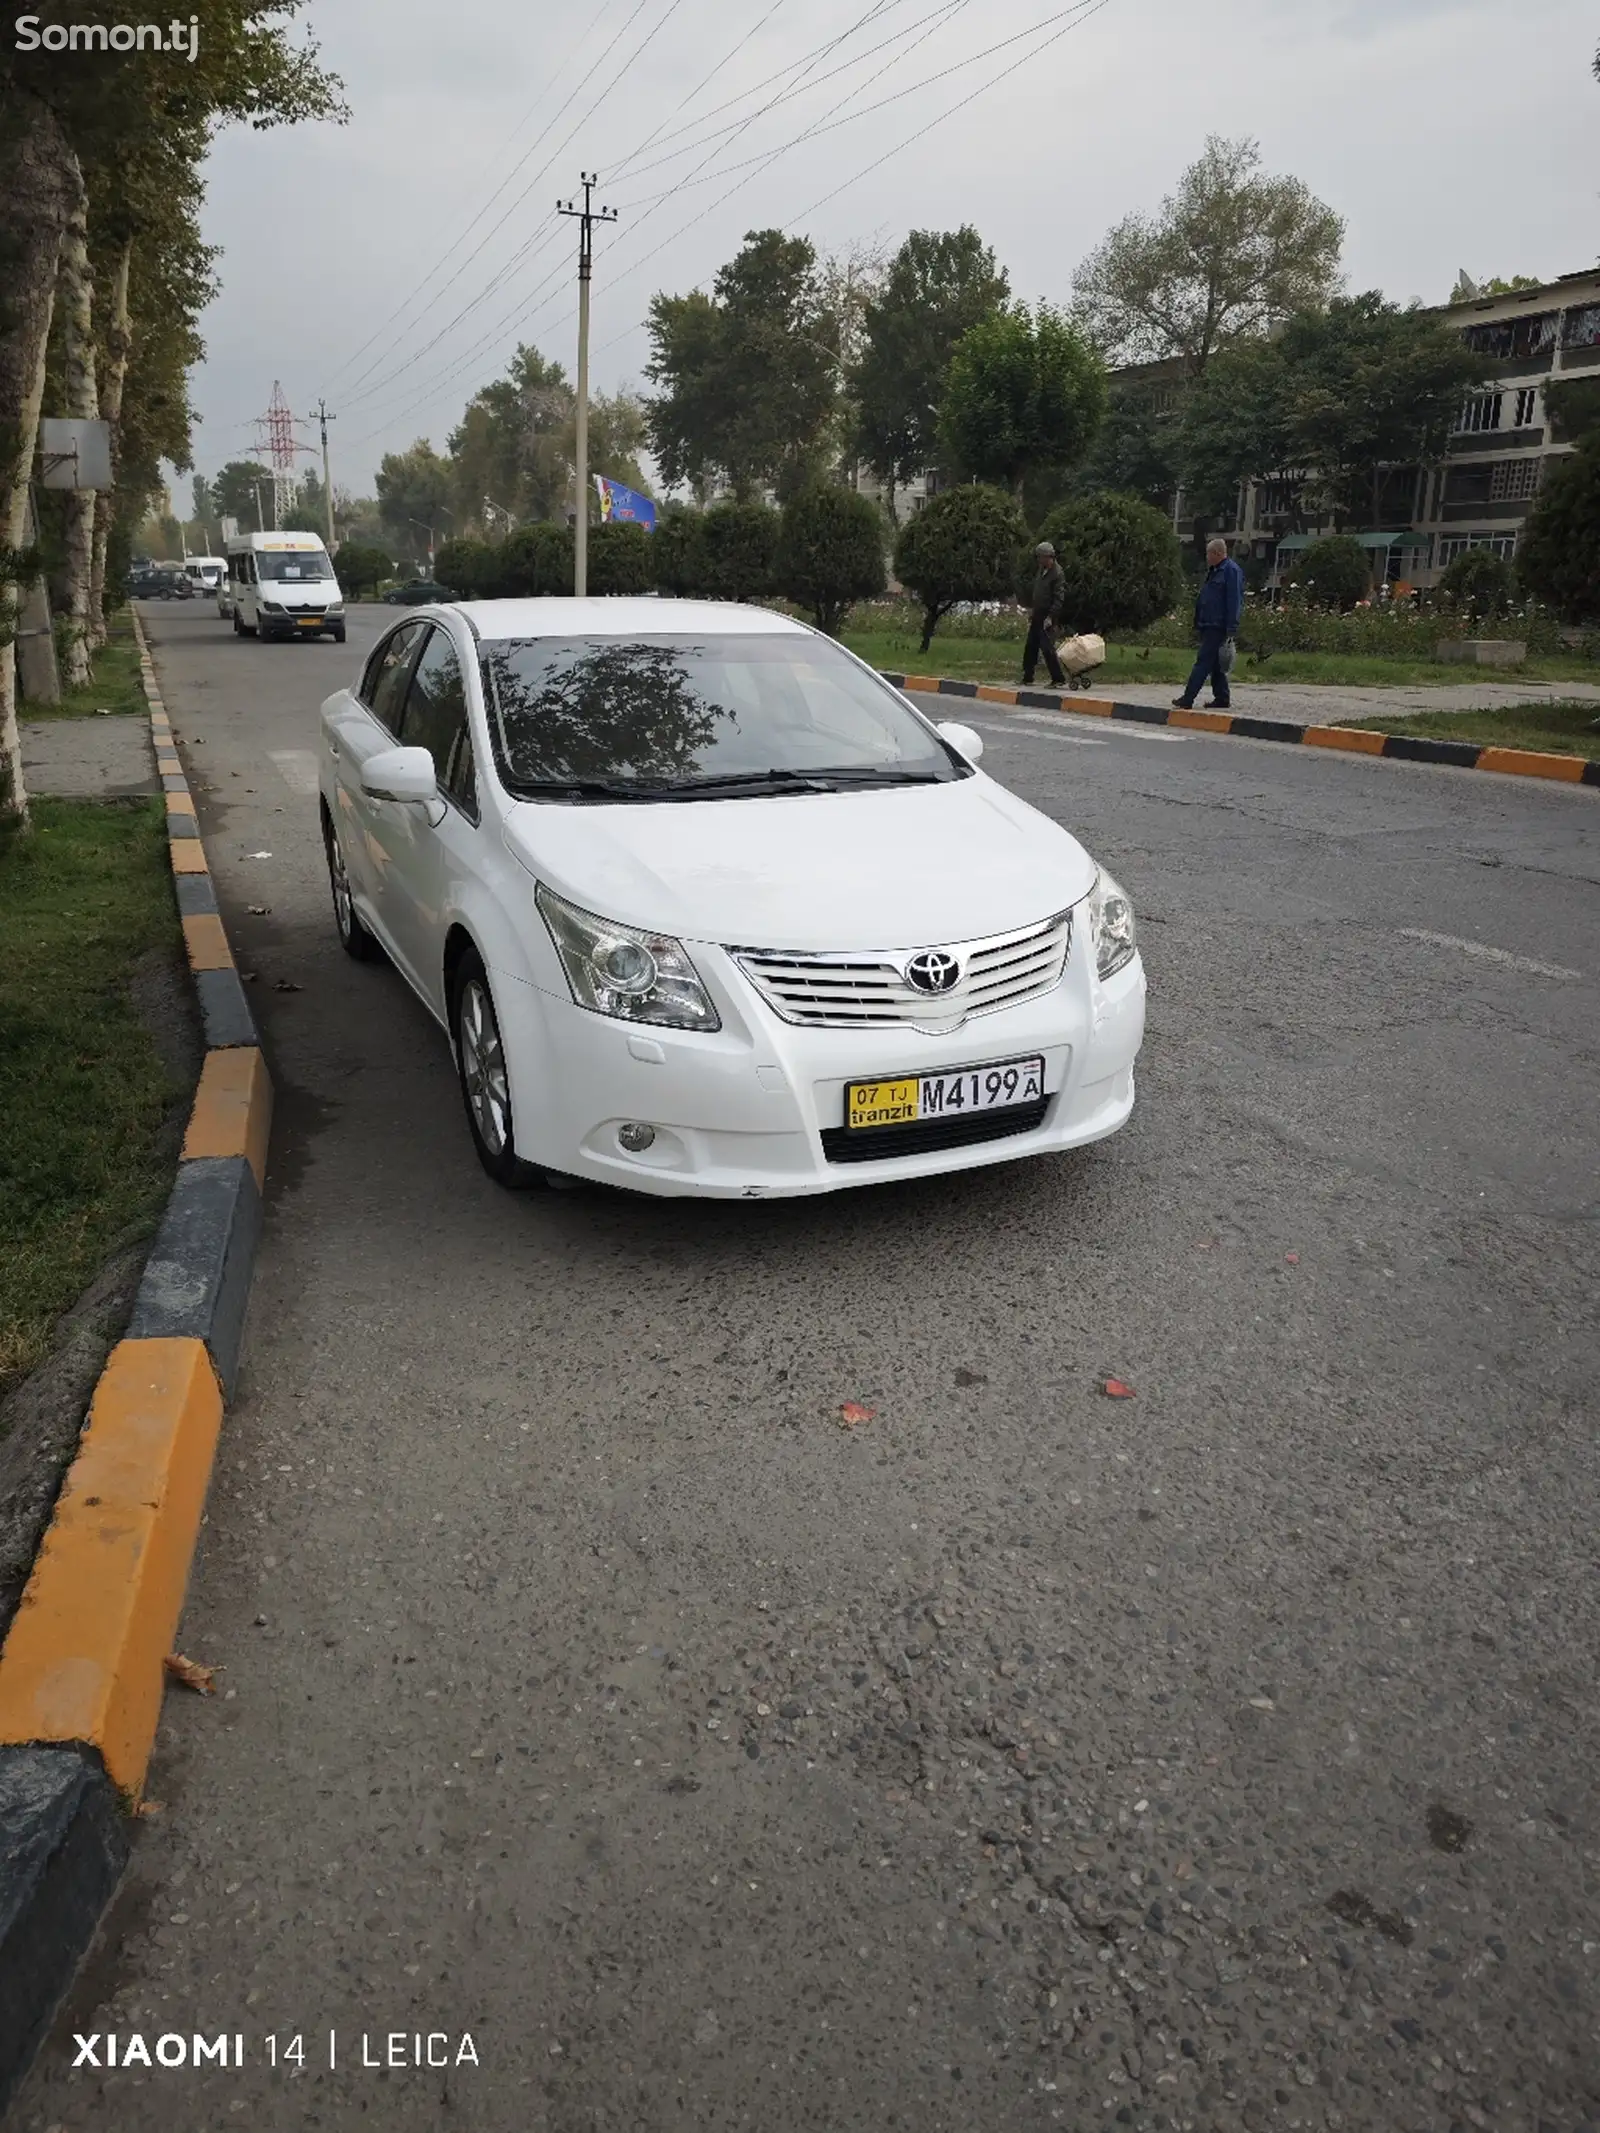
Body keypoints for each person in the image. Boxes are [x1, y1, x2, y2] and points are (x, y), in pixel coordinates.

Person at [1174, 537, 1245, 709]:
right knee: (1215, 664)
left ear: (1217, 553)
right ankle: (1222, 698)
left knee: (1203, 661)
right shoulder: (1215, 570)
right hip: (1208, 623)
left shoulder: (1230, 571)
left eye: (1208, 553)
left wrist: (1231, 626)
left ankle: (1188, 698)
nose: (1206, 557)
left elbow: (1234, 599)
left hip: (1218, 625)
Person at [1023, 541, 1066, 688]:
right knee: (1031, 646)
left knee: (1047, 647)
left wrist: (1050, 617)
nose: (1038, 560)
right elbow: (1038, 590)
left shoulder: (1057, 573)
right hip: (1038, 612)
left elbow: (1059, 598)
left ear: (1048, 557)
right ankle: (1028, 676)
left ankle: (1058, 678)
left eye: (1040, 557)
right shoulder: (1041, 570)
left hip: (1048, 614)